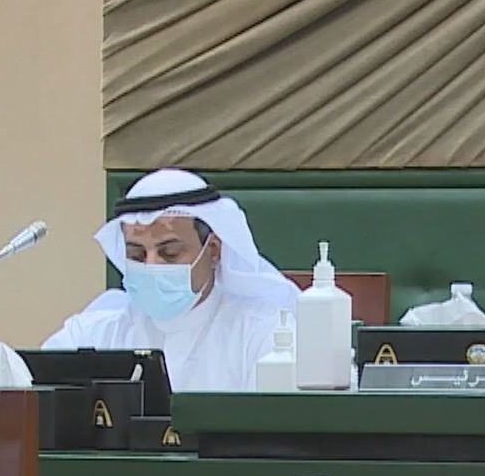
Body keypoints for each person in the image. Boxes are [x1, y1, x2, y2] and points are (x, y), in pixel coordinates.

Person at [39, 168, 300, 391]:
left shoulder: (264, 334)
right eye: (137, 255)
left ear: (213, 251)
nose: (151, 265)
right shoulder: (94, 332)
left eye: (170, 252)